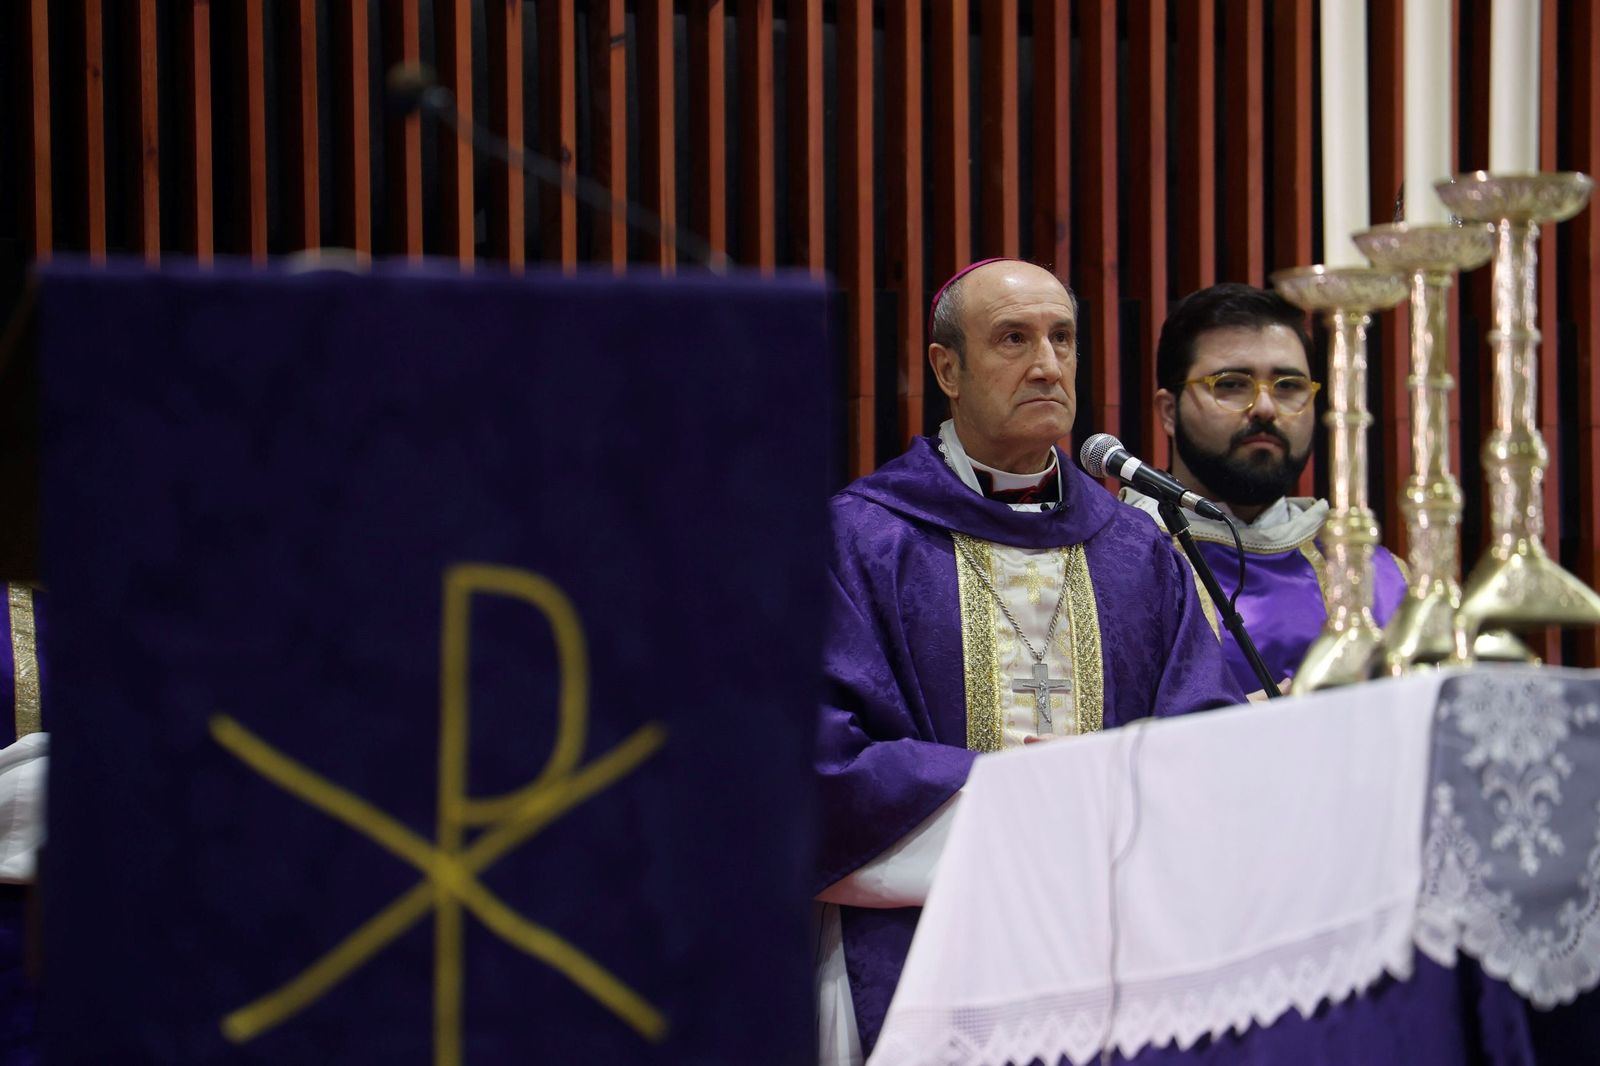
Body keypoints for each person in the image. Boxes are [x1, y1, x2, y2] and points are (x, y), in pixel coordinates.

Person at [813, 259, 1245, 1064]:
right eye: (1013, 338)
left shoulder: (1137, 552)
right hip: (924, 959)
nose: (1047, 364)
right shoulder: (863, 540)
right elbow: (819, 769)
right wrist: (1026, 795)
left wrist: (1114, 784)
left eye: (1063, 339)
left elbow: (1204, 750)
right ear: (948, 368)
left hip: (1113, 960)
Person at [1123, 282, 1407, 693]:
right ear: (1169, 413)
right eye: (1231, 384)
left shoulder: (1379, 578)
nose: (1266, 408)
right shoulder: (1119, 563)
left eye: (1289, 386)